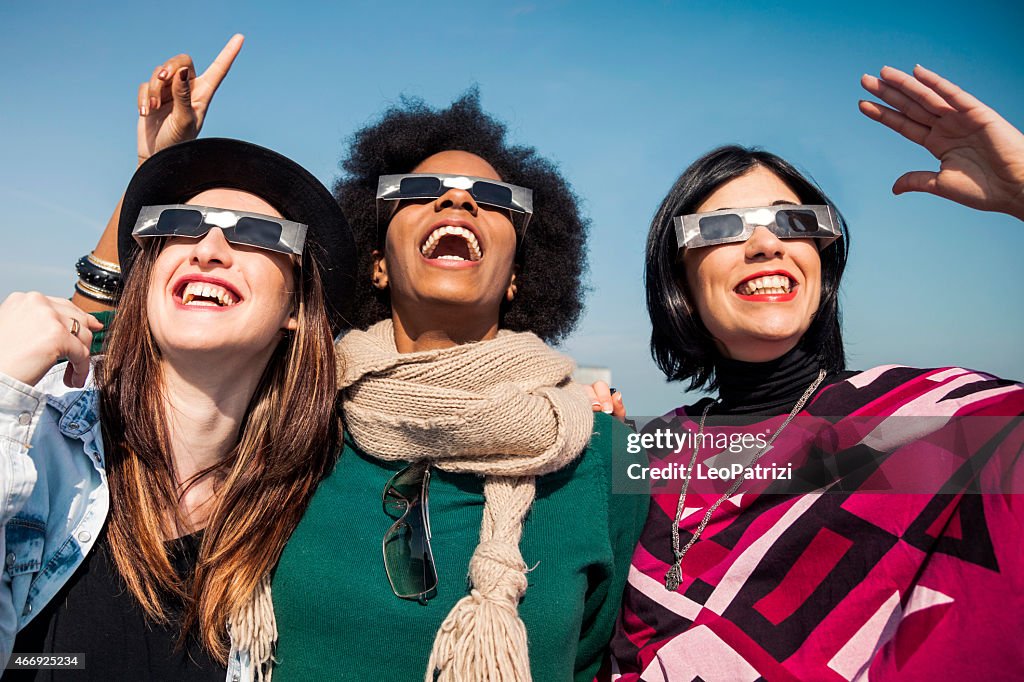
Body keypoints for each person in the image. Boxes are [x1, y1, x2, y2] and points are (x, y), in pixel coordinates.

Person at [68, 40, 646, 681]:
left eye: (493, 197)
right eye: (421, 190)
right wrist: (157, 173)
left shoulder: (604, 451)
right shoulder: (293, 411)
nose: (458, 203)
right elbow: (108, 349)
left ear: (519, 276)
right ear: (375, 261)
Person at [605, 65, 1024, 681]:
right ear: (679, 282)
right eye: (722, 229)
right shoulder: (646, 451)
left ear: (822, 267)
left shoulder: (933, 422)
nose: (768, 244)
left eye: (795, 222)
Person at [0, 137, 356, 681]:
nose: (208, 247)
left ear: (295, 307)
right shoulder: (34, 445)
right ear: (145, 281)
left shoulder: (315, 507)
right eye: (183, 224)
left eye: (257, 232)